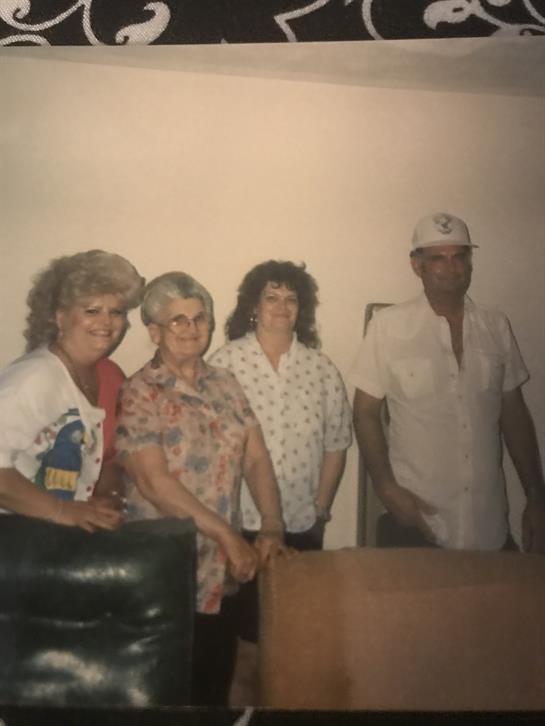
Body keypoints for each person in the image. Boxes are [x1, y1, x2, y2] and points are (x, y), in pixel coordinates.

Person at [114, 271, 287, 707]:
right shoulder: (140, 393)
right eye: (178, 320)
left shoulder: (225, 383)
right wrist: (228, 535)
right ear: (154, 331)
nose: (191, 328)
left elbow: (255, 458)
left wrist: (271, 524)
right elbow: (153, 483)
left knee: (213, 686)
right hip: (165, 572)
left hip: (222, 570)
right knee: (164, 694)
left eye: (199, 318)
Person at [349, 212, 545, 552]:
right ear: (417, 265)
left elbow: (514, 414)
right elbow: (364, 412)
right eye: (438, 258)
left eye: (459, 257)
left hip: (488, 528)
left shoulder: (496, 326)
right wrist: (385, 488)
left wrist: (536, 496)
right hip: (416, 522)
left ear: (470, 262)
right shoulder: (388, 327)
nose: (451, 268)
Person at [209, 260, 352, 703]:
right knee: (243, 648)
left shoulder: (320, 369)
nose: (282, 306)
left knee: (293, 642)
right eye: (271, 297)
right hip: (240, 527)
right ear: (253, 305)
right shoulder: (225, 363)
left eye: (291, 299)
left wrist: (320, 510)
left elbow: (337, 443)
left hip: (301, 528)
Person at [0, 249, 144, 531]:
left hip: (63, 533)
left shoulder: (110, 376)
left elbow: (107, 457)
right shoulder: (33, 378)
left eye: (116, 312)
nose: (106, 322)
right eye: (92, 311)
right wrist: (62, 510)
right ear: (59, 316)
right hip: (14, 533)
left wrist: (108, 494)